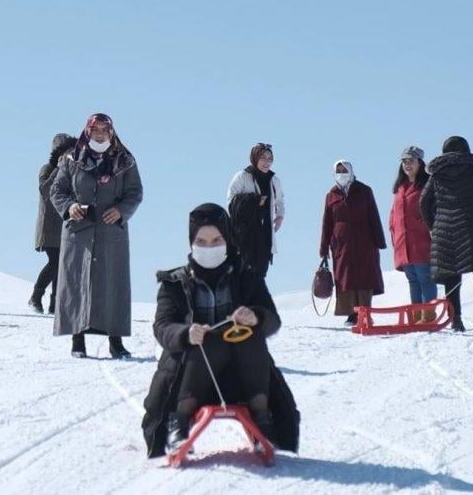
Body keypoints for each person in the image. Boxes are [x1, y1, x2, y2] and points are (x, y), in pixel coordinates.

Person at [141, 203, 300, 458]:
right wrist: (185, 333)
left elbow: (272, 319)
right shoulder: (175, 284)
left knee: (251, 338)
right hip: (191, 379)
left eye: (216, 240)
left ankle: (262, 419)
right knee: (207, 341)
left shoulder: (246, 277)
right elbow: (163, 327)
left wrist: (256, 316)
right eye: (202, 241)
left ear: (227, 239)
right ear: (191, 242)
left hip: (241, 378)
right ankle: (177, 424)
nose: (209, 247)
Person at [49, 113, 143, 359]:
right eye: (96, 130)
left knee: (113, 284)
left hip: (111, 233)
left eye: (104, 130)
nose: (100, 134)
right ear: (88, 132)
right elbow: (57, 190)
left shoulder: (125, 161)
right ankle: (77, 340)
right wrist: (69, 207)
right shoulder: (71, 159)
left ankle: (116, 342)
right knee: (76, 283)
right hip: (78, 232)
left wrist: (121, 211)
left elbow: (135, 193)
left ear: (111, 133)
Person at [421, 136, 473, 332]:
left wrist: (433, 226)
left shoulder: (437, 173)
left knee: (451, 275)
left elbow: (423, 202)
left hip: (445, 228)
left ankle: (456, 320)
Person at [319, 160, 386, 326]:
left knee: (364, 277)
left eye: (344, 169)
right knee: (345, 278)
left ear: (351, 171)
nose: (342, 173)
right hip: (341, 244)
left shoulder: (364, 191)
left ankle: (365, 313)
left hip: (365, 241)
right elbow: (327, 222)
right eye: (338, 170)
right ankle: (351, 313)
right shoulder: (331, 195)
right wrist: (323, 247)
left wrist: (379, 240)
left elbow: (374, 216)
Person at [30, 133, 77, 314]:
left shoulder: (72, 172)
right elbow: (45, 191)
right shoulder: (47, 169)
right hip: (48, 227)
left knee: (62, 265)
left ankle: (55, 304)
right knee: (56, 262)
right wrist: (58, 169)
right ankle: (36, 296)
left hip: (66, 226)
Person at [389, 146, 436, 321]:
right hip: (403, 242)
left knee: (425, 277)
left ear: (420, 163)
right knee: (413, 279)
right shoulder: (400, 188)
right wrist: (394, 233)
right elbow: (394, 214)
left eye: (411, 161)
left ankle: (428, 314)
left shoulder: (427, 184)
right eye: (404, 161)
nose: (407, 164)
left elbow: (432, 209)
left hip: (422, 240)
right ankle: (416, 315)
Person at [227, 143, 284, 279]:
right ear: (255, 158)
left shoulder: (274, 180)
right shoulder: (242, 176)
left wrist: (280, 216)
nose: (267, 162)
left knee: (259, 275)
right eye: (263, 158)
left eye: (270, 158)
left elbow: (280, 200)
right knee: (242, 273)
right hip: (244, 235)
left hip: (264, 234)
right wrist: (253, 200)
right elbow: (230, 201)